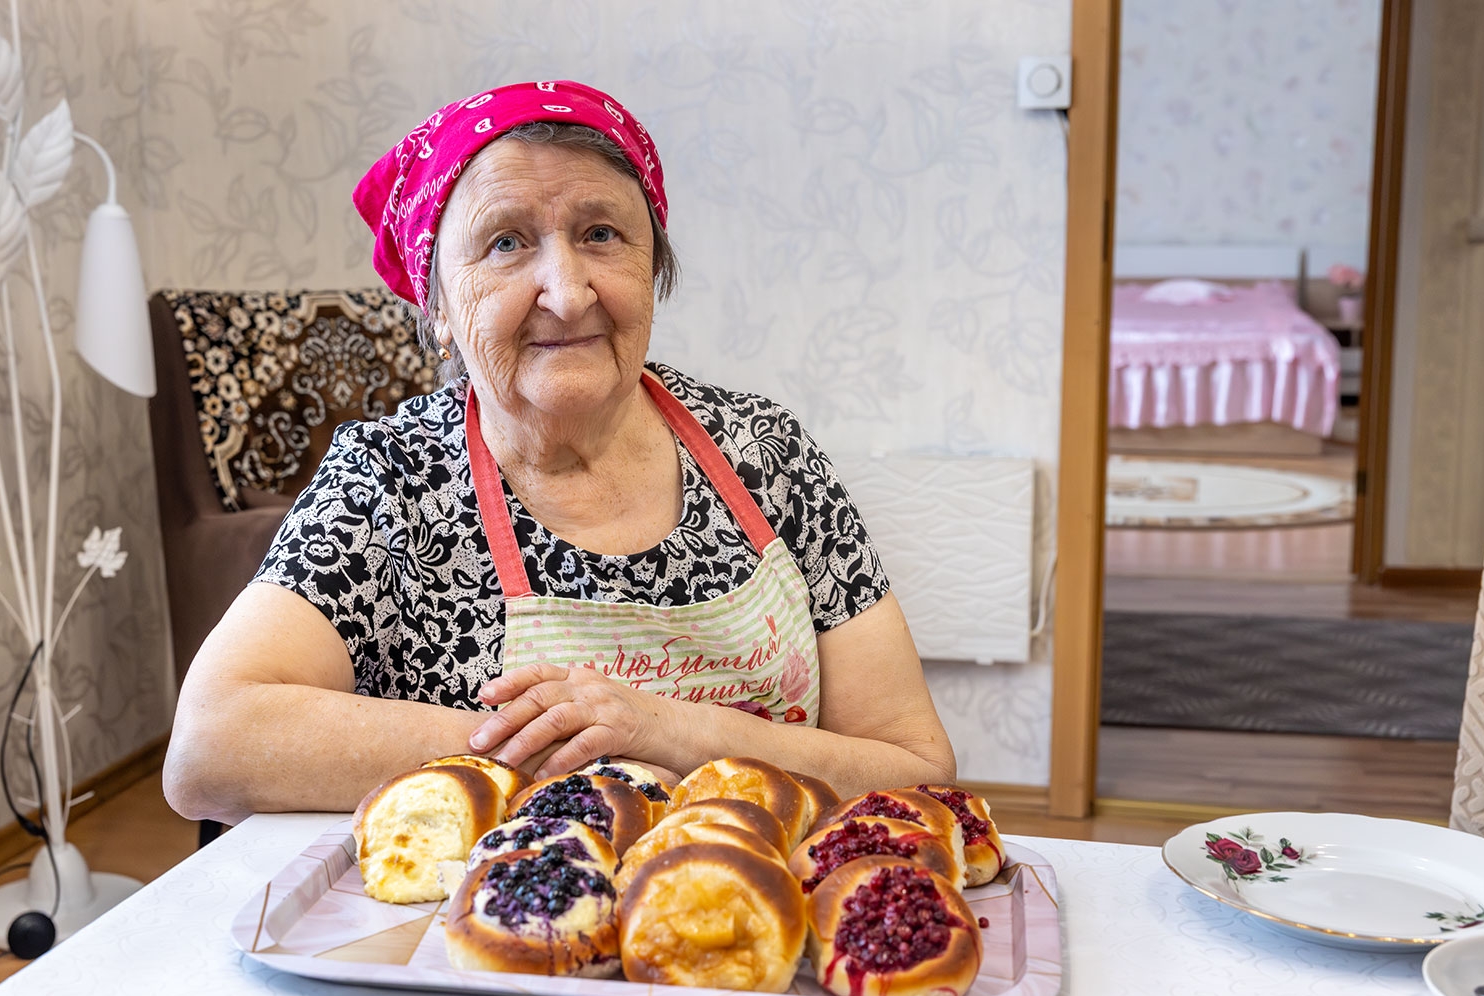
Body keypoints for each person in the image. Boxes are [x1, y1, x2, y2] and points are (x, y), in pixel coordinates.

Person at [163, 80, 955, 825]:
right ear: (437, 307)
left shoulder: (765, 452)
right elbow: (210, 745)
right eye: (507, 242)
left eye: (601, 234)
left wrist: (662, 729)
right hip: (485, 940)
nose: (568, 292)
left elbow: (916, 768)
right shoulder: (392, 479)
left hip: (752, 929)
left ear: (653, 272)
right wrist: (583, 745)